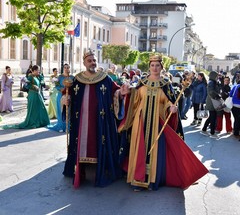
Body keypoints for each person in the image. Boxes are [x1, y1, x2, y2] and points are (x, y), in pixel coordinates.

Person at [118, 54, 208, 191]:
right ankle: (138, 180)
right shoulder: (141, 82)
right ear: (149, 67)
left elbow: (168, 101)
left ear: (161, 67)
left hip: (157, 123)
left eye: (157, 65)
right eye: (152, 65)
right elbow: (135, 99)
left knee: (155, 151)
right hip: (140, 122)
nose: (154, 68)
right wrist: (128, 93)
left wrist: (171, 107)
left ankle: (152, 180)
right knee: (139, 148)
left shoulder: (166, 83)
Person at [62, 50, 125, 188]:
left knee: (98, 140)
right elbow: (68, 94)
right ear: (84, 63)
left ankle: (101, 166)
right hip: (81, 121)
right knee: (82, 142)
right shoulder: (77, 79)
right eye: (89, 60)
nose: (93, 63)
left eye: (94, 60)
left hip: (101, 121)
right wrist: (66, 99)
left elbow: (116, 91)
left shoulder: (105, 78)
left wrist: (121, 93)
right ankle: (80, 168)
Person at [48, 63, 74, 132]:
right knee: (61, 110)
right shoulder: (60, 77)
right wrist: (61, 89)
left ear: (69, 68)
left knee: (68, 111)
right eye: (65, 67)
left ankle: (67, 127)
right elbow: (56, 85)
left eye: (67, 67)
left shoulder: (72, 77)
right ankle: (60, 126)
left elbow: (74, 86)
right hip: (61, 95)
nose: (66, 69)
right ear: (63, 68)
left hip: (69, 96)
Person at [202, 71, 222, 136]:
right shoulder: (211, 82)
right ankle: (212, 131)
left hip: (213, 101)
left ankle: (204, 128)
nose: (217, 77)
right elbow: (211, 92)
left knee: (211, 116)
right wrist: (217, 95)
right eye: (216, 76)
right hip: (212, 101)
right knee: (213, 117)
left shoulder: (214, 82)